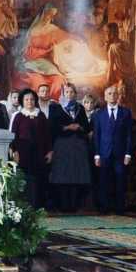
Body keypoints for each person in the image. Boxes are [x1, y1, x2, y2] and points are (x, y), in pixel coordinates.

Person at [93, 83, 136, 213]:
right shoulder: (99, 114)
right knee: (104, 181)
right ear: (105, 97)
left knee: (120, 181)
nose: (112, 96)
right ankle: (105, 207)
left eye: (114, 94)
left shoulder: (126, 113)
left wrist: (128, 154)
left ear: (118, 96)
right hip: (104, 154)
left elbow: (129, 134)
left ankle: (120, 208)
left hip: (121, 154)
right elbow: (97, 135)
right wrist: (97, 155)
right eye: (109, 94)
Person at [48, 83, 92, 211]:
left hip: (78, 145)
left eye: (72, 92)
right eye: (67, 92)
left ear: (75, 94)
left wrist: (80, 127)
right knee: (62, 176)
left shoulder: (80, 108)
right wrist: (66, 127)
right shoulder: (55, 107)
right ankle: (63, 206)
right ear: (63, 94)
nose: (69, 94)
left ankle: (75, 205)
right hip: (62, 145)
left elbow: (86, 127)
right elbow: (51, 126)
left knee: (76, 176)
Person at [9, 89, 52, 204]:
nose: (29, 102)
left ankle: (38, 205)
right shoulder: (18, 116)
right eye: (27, 99)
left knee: (39, 178)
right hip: (23, 153)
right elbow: (13, 135)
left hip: (39, 152)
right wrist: (14, 151)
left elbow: (47, 134)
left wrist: (50, 151)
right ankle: (25, 204)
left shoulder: (41, 115)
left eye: (32, 99)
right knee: (25, 178)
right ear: (22, 101)